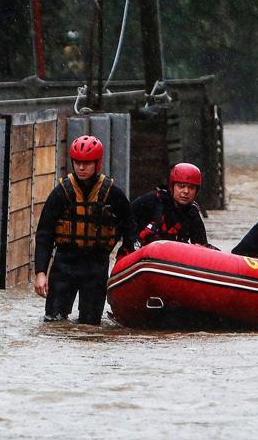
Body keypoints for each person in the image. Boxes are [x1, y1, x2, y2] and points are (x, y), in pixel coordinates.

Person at [33, 135, 138, 324]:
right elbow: (44, 234)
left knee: (90, 326)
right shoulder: (61, 193)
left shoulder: (112, 193)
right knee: (54, 323)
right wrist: (40, 272)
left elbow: (129, 228)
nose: (81, 168)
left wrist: (128, 258)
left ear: (97, 164)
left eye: (87, 163)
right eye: (78, 162)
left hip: (96, 266)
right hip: (65, 264)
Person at [132, 163, 209, 247]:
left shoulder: (192, 212)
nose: (186, 191)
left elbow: (201, 246)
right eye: (181, 186)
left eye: (191, 188)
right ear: (172, 187)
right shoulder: (152, 201)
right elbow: (125, 222)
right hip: (141, 253)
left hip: (169, 256)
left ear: (196, 191)